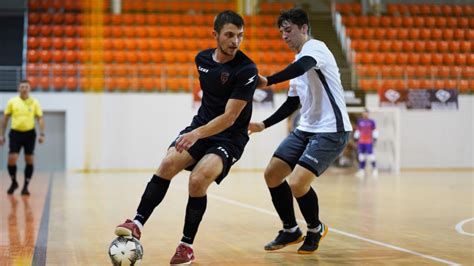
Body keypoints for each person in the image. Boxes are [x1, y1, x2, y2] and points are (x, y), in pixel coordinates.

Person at [114, 10, 258, 265]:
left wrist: (195, 134)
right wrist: (197, 131)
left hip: (229, 137)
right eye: (229, 35)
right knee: (169, 162)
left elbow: (229, 118)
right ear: (215, 35)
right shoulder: (201, 59)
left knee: (198, 179)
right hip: (202, 126)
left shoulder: (246, 68)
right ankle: (136, 223)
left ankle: (186, 246)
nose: (235, 41)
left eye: (240, 36)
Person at [248, 8, 352, 254]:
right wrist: (263, 124)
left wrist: (269, 80)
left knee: (297, 183)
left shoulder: (316, 48)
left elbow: (302, 66)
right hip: (306, 128)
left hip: (331, 130)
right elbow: (292, 103)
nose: (284, 36)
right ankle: (291, 230)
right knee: (273, 174)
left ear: (303, 28)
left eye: (288, 30)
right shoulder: (297, 62)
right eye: (281, 32)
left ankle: (315, 229)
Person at [0, 80, 45, 196]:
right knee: (12, 158)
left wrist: (42, 134)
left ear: (29, 89)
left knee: (29, 160)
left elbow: (40, 118)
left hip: (30, 134)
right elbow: (5, 119)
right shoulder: (12, 101)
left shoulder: (34, 102)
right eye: (22, 87)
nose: (24, 89)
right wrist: (1, 135)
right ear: (18, 89)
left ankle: (25, 186)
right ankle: (14, 181)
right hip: (15, 133)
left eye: (26, 87)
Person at [354, 109, 378, 178]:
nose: (365, 114)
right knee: (361, 156)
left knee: (371, 156)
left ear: (368, 114)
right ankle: (361, 170)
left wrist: (375, 138)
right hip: (361, 142)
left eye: (366, 113)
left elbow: (375, 130)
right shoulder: (360, 121)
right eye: (364, 113)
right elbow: (358, 130)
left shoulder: (371, 122)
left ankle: (374, 169)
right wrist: (356, 137)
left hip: (368, 141)